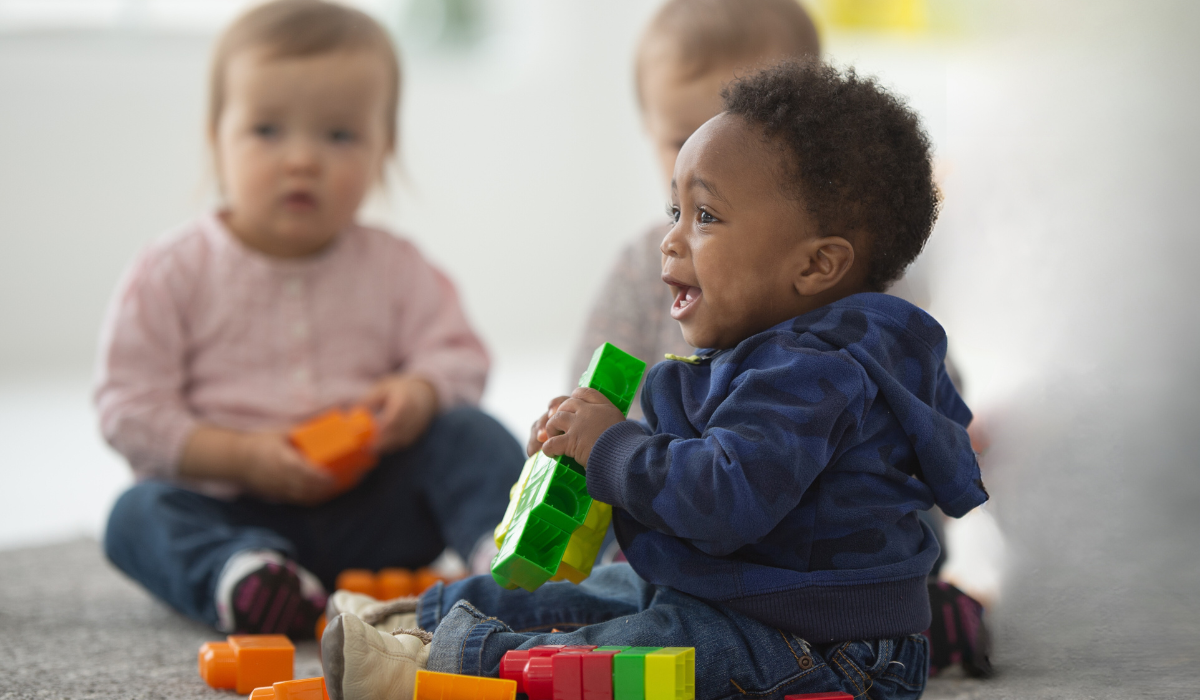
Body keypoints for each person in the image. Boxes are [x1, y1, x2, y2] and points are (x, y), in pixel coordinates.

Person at [320, 61, 987, 700]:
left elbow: (721, 500)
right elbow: (691, 489)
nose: (670, 241)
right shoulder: (774, 353)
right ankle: (421, 618)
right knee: (611, 590)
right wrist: (581, 455)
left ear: (816, 266)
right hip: (745, 596)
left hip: (827, 648)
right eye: (675, 213)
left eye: (707, 217)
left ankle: (440, 664)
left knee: (633, 647)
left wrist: (613, 447)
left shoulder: (817, 375)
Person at [95, 0, 524, 639]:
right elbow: (127, 410)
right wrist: (241, 456)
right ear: (218, 138)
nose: (302, 159)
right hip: (228, 507)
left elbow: (460, 355)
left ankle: (504, 567)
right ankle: (242, 578)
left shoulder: (396, 266)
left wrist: (420, 390)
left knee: (474, 435)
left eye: (339, 135)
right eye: (268, 131)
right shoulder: (172, 271)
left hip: (372, 513)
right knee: (135, 515)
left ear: (383, 150)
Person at [569, 0, 820, 422]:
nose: (705, 167)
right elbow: (590, 411)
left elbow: (923, 390)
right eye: (681, 141)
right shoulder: (644, 269)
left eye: (742, 144)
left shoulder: (839, 261)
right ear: (650, 131)